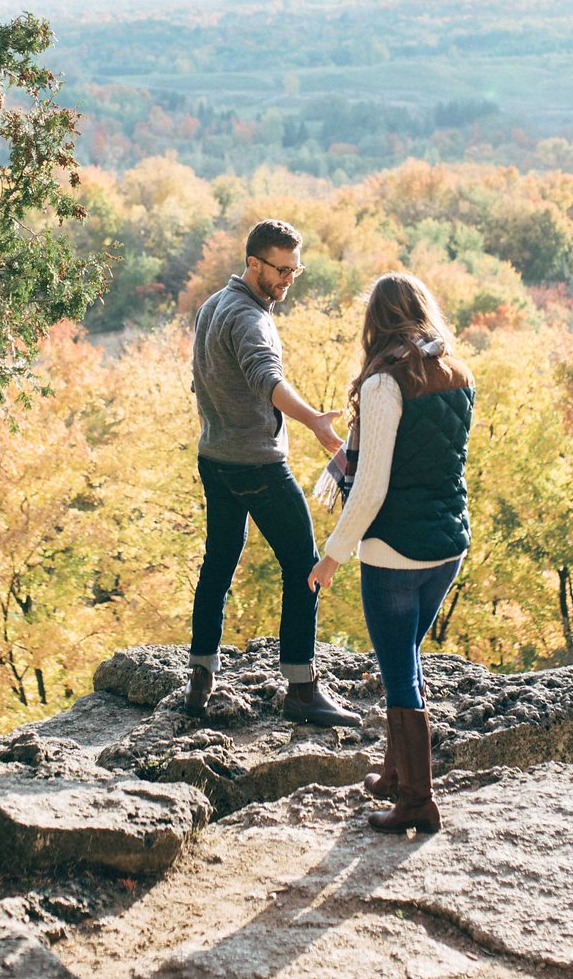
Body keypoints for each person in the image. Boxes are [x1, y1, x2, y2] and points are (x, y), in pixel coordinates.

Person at [307, 272, 474, 834]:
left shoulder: (384, 385)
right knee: (408, 659)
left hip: (396, 552)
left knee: (401, 671)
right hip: (448, 546)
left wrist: (332, 553)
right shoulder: (456, 371)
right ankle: (395, 773)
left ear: (375, 323)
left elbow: (372, 486)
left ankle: (417, 803)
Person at [186, 218, 362, 727]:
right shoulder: (250, 319)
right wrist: (313, 421)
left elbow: (202, 380)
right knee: (305, 567)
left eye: (295, 270)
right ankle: (302, 689)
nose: (288, 279)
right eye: (280, 270)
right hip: (256, 464)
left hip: (214, 458)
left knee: (217, 564)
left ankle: (200, 678)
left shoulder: (210, 307)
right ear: (253, 264)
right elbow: (268, 379)